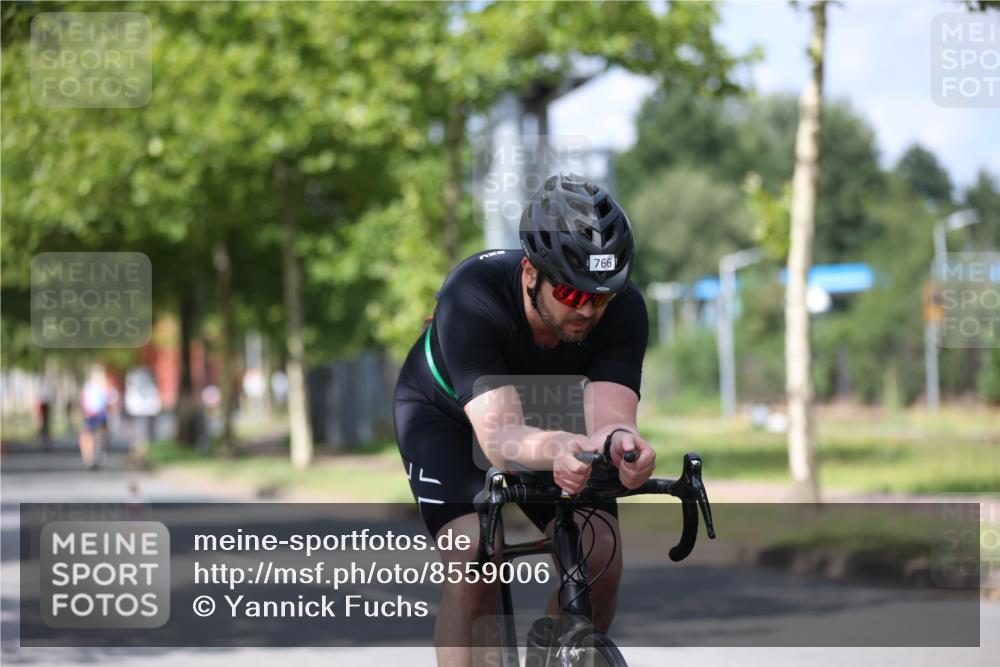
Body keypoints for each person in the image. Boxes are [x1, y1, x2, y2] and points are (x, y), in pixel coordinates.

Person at [393, 173, 654, 667]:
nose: (590, 311)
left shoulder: (623, 310)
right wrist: (556, 448)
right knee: (474, 559)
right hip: (446, 413)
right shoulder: (473, 293)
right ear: (532, 274)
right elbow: (499, 437)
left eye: (603, 297)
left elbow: (610, 421)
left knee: (599, 553)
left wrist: (622, 445)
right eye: (575, 296)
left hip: (547, 410)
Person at [79, 366, 110, 470]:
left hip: (98, 416)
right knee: (92, 437)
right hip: (93, 416)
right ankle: (90, 458)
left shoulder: (100, 388)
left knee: (97, 437)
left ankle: (93, 457)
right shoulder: (90, 388)